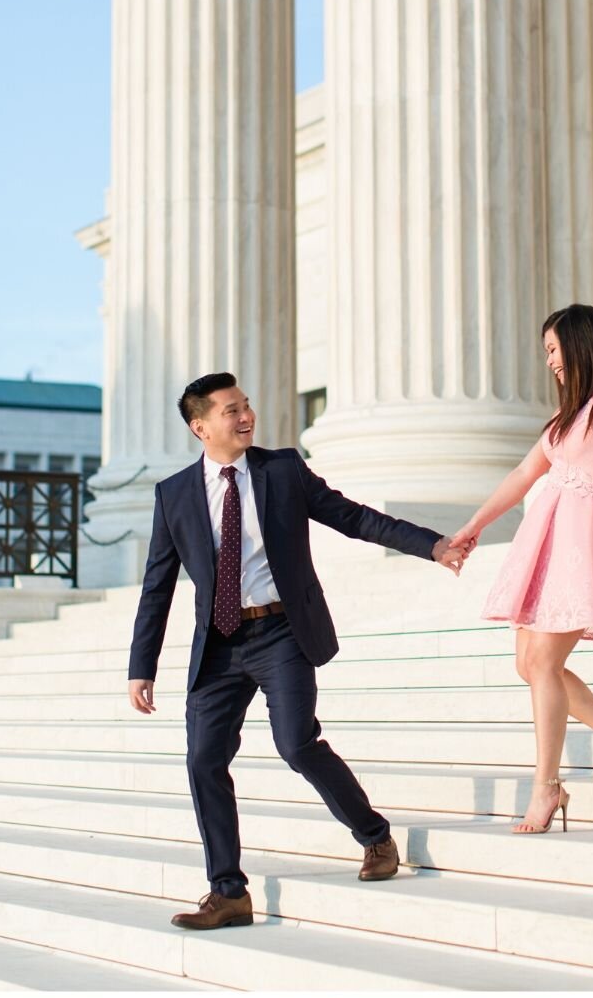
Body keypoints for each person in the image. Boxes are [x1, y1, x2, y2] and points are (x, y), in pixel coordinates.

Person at [127, 372, 473, 930]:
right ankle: (229, 892)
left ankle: (375, 837)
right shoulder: (174, 495)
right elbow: (157, 584)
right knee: (203, 761)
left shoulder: (281, 470)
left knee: (296, 743)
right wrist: (141, 666)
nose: (245, 417)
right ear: (200, 427)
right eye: (230, 411)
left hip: (282, 633)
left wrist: (430, 544)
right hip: (218, 646)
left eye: (246, 405)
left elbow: (353, 517)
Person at [449, 304, 593, 835]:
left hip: (586, 542)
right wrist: (473, 525)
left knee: (543, 663)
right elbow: (525, 474)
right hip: (547, 543)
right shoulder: (566, 416)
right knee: (530, 663)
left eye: (553, 348)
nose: (549, 360)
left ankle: (546, 786)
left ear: (579, 343)